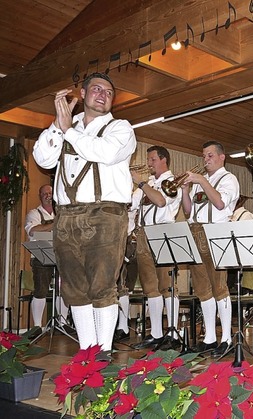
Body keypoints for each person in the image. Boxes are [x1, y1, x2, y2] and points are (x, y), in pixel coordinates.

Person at [32, 72, 136, 351]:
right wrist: (57, 124)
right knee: (74, 289)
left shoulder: (121, 128)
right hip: (65, 216)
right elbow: (43, 157)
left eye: (109, 92)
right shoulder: (67, 125)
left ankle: (102, 352)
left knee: (102, 286)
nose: (103, 95)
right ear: (82, 94)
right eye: (96, 89)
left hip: (105, 215)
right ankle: (86, 353)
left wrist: (68, 131)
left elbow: (104, 152)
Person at [181, 141, 239, 356]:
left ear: (222, 157)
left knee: (219, 287)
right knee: (203, 290)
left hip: (216, 234)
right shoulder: (198, 183)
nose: (206, 159)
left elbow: (220, 204)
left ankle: (226, 338)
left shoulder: (228, 179)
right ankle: (210, 338)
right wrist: (186, 191)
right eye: (204, 155)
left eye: (210, 155)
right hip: (196, 232)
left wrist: (202, 180)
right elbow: (188, 211)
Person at [131, 146, 182, 350]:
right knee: (150, 287)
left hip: (163, 232)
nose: (149, 163)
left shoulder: (172, 182)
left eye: (152, 159)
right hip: (144, 233)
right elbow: (131, 205)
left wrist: (141, 183)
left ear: (164, 160)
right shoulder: (149, 184)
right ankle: (156, 334)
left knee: (167, 285)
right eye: (149, 159)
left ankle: (173, 332)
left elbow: (160, 201)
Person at [24, 185, 69, 333]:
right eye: (44, 193)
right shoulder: (34, 213)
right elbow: (32, 230)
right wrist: (55, 224)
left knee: (64, 290)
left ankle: (62, 323)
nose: (47, 195)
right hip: (41, 256)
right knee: (41, 290)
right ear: (40, 196)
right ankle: (37, 326)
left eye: (50, 193)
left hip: (62, 256)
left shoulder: (61, 213)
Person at [114, 200, 139, 342]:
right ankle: (121, 325)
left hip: (128, 239)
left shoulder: (133, 196)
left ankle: (123, 327)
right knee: (120, 286)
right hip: (118, 239)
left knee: (121, 286)